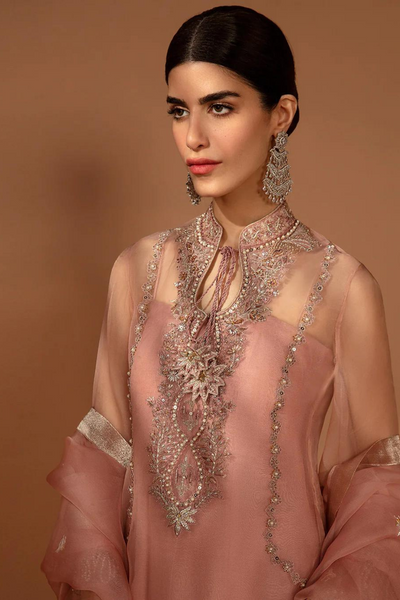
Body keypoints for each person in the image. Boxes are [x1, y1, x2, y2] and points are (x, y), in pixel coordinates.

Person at [40, 6, 400, 599]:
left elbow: (376, 496)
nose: (193, 137)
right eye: (179, 110)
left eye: (220, 107)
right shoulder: (137, 271)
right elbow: (103, 462)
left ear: (280, 114)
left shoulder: (341, 288)